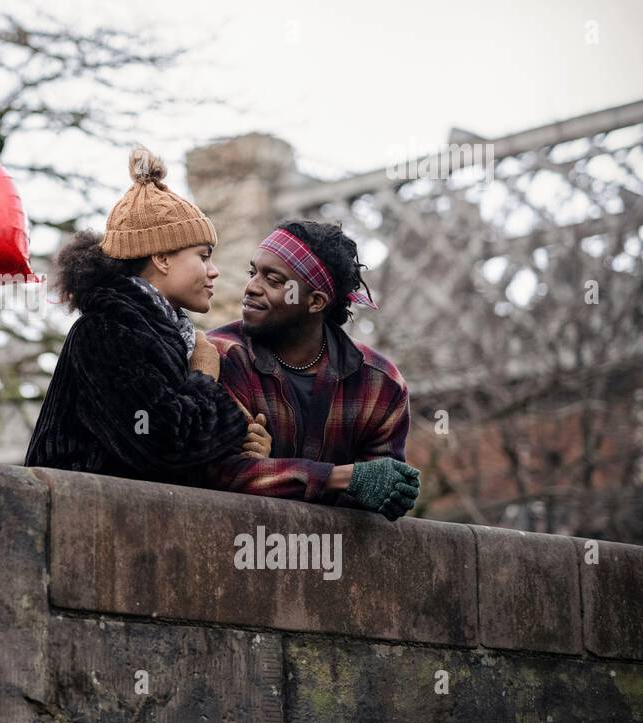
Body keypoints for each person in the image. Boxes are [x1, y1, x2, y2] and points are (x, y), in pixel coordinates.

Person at [24, 146, 268, 487]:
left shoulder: (165, 333)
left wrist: (245, 443)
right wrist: (203, 377)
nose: (214, 272)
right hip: (86, 527)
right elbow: (162, 444)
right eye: (203, 256)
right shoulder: (106, 331)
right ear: (163, 258)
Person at [205, 220, 421, 520]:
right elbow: (220, 473)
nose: (251, 287)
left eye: (273, 280)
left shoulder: (381, 385)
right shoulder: (220, 355)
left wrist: (273, 466)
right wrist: (341, 478)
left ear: (315, 301)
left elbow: (379, 501)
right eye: (253, 273)